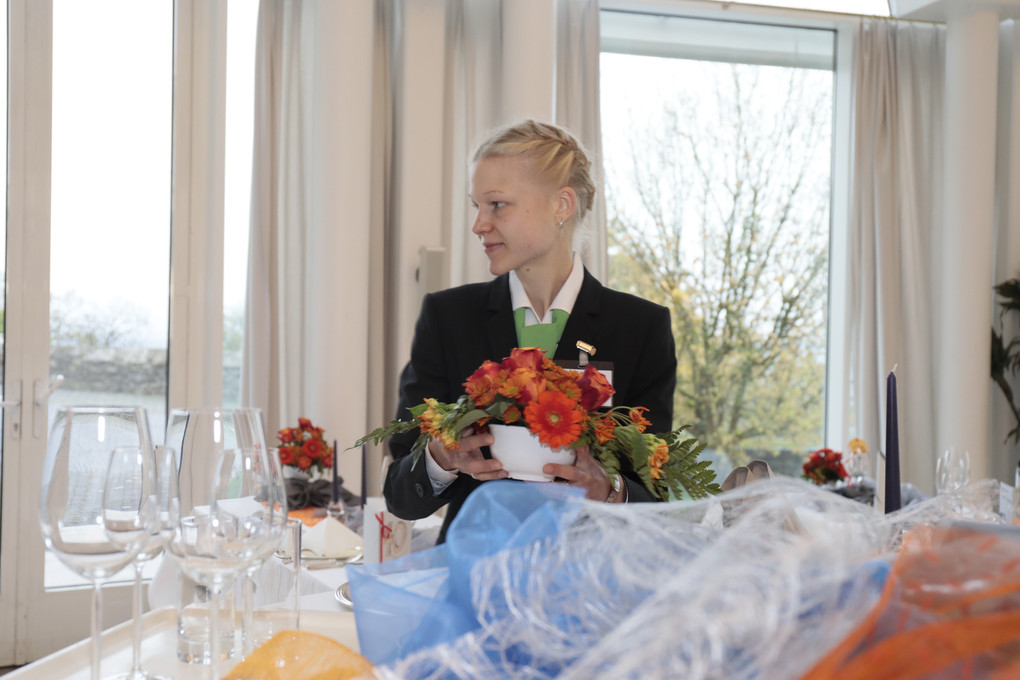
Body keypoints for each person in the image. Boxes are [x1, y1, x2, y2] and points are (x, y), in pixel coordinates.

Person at [383, 120, 676, 543]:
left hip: (588, 574)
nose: (478, 224)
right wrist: (441, 459)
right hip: (473, 572)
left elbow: (659, 496)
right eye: (477, 206)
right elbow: (399, 496)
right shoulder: (448, 318)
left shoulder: (640, 327)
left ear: (562, 205)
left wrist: (610, 491)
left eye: (497, 204)